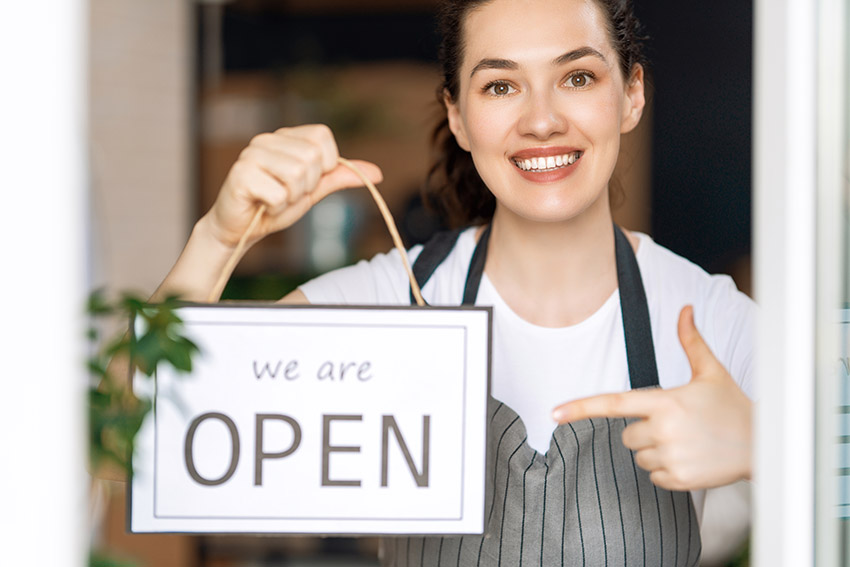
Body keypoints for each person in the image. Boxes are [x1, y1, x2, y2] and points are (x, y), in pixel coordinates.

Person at [154, 0, 754, 564]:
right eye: (500, 85)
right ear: (458, 117)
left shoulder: (708, 318)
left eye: (577, 78)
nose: (542, 120)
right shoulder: (385, 304)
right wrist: (219, 237)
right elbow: (133, 440)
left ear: (631, 95)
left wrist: (764, 442)